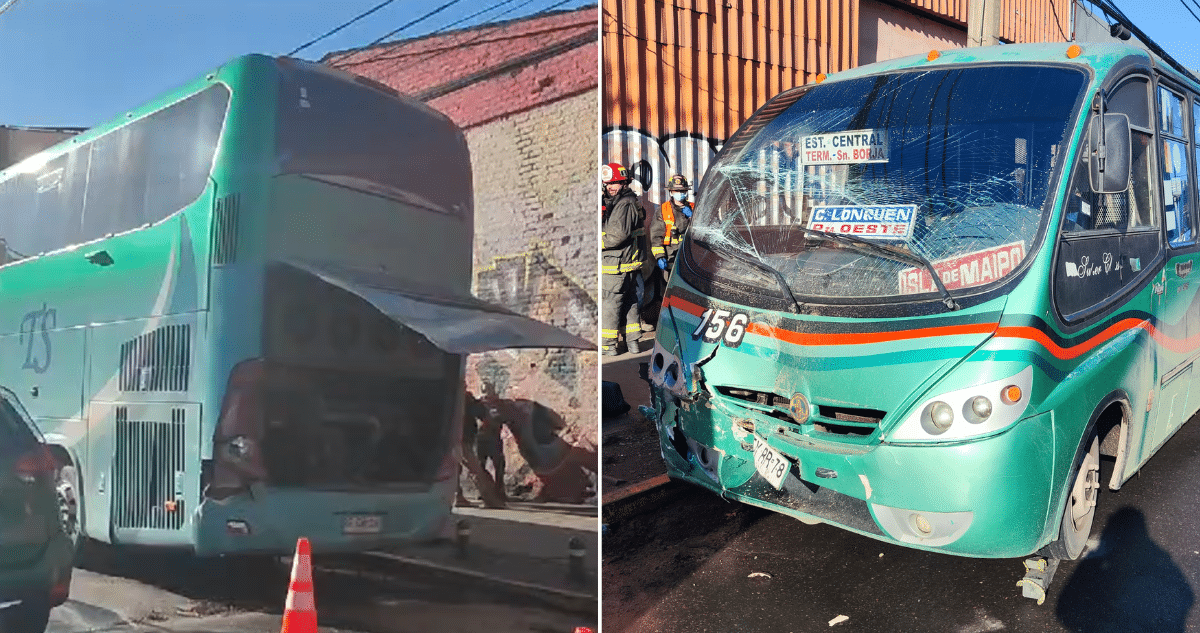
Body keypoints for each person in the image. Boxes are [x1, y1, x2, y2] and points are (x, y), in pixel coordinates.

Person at [601, 162, 646, 356]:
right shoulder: (626, 201)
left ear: (625, 183)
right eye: (608, 184)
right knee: (630, 304)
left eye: (616, 183)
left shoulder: (624, 203)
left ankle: (608, 346)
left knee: (611, 305)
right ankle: (633, 343)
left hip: (617, 265)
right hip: (628, 264)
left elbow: (616, 236)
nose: (611, 187)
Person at [650, 174, 693, 283]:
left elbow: (703, 232)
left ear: (686, 192)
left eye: (682, 191)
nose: (679, 194)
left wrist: (693, 217)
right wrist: (660, 256)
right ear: (671, 192)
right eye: (676, 191)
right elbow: (656, 236)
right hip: (671, 259)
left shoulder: (694, 208)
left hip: (690, 259)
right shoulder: (663, 210)